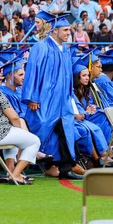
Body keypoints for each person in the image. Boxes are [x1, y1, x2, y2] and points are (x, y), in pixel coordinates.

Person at [21, 13, 82, 180]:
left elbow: (68, 77)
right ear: (54, 30)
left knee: (65, 131)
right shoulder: (41, 47)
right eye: (65, 30)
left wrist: (70, 98)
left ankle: (65, 167)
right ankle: (44, 163)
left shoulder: (65, 50)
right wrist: (32, 98)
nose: (68, 33)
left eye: (69, 30)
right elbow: (32, 72)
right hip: (45, 100)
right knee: (43, 128)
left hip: (62, 101)